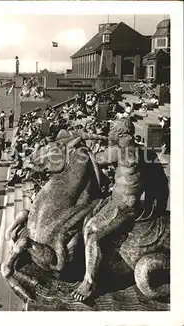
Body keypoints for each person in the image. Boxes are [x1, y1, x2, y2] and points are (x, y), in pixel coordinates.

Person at [71, 118, 144, 302]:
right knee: (88, 223)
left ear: (120, 133)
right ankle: (91, 265)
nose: (109, 132)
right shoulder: (137, 149)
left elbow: (94, 159)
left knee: (92, 233)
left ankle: (89, 281)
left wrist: (79, 143)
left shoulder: (120, 150)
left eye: (112, 130)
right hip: (119, 199)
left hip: (123, 204)